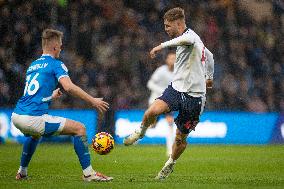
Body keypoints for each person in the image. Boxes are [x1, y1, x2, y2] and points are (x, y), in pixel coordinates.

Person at [123, 7, 214, 180]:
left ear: (178, 23)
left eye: (167, 26)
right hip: (176, 89)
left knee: (180, 138)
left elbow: (190, 43)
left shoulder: (190, 37)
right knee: (152, 111)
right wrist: (209, 76)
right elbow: (209, 56)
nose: (166, 29)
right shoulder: (193, 41)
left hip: (194, 98)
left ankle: (170, 163)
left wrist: (160, 46)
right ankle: (141, 132)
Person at [11, 29, 113, 182]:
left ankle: (22, 172)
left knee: (34, 135)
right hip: (33, 118)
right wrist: (92, 100)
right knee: (80, 128)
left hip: (17, 116)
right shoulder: (56, 64)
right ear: (54, 47)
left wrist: (51, 95)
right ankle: (89, 174)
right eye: (59, 45)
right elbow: (69, 87)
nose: (61, 48)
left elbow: (33, 93)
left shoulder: (33, 65)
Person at [147, 52, 175, 156]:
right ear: (167, 60)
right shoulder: (161, 71)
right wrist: (162, 91)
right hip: (155, 101)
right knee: (151, 126)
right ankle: (136, 136)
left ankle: (170, 150)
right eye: (171, 58)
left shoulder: (178, 73)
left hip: (167, 103)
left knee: (170, 123)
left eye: (174, 58)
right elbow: (149, 84)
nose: (173, 60)